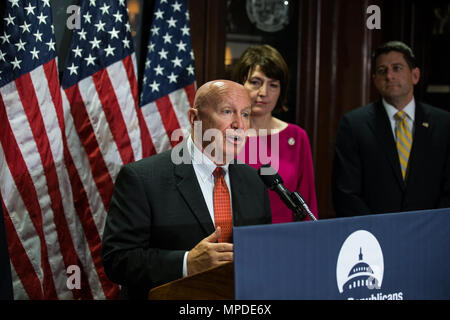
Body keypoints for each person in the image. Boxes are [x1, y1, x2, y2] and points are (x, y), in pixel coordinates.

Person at [101, 80, 272, 299]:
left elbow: (262, 253)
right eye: (227, 111)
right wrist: (185, 263)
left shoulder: (254, 181)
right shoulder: (142, 179)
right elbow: (117, 259)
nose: (239, 124)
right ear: (195, 119)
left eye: (246, 114)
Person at [332, 41, 450, 217]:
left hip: (432, 233)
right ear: (374, 80)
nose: (389, 76)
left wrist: (433, 225)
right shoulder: (354, 124)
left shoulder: (444, 123)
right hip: (375, 236)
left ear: (415, 75)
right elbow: (345, 192)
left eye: (397, 68)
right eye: (382, 71)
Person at [232, 44, 318, 223]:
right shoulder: (223, 135)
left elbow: (308, 204)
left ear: (282, 90)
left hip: (287, 243)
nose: (263, 93)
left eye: (273, 85)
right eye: (255, 82)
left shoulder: (297, 137)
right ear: (241, 83)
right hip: (234, 243)